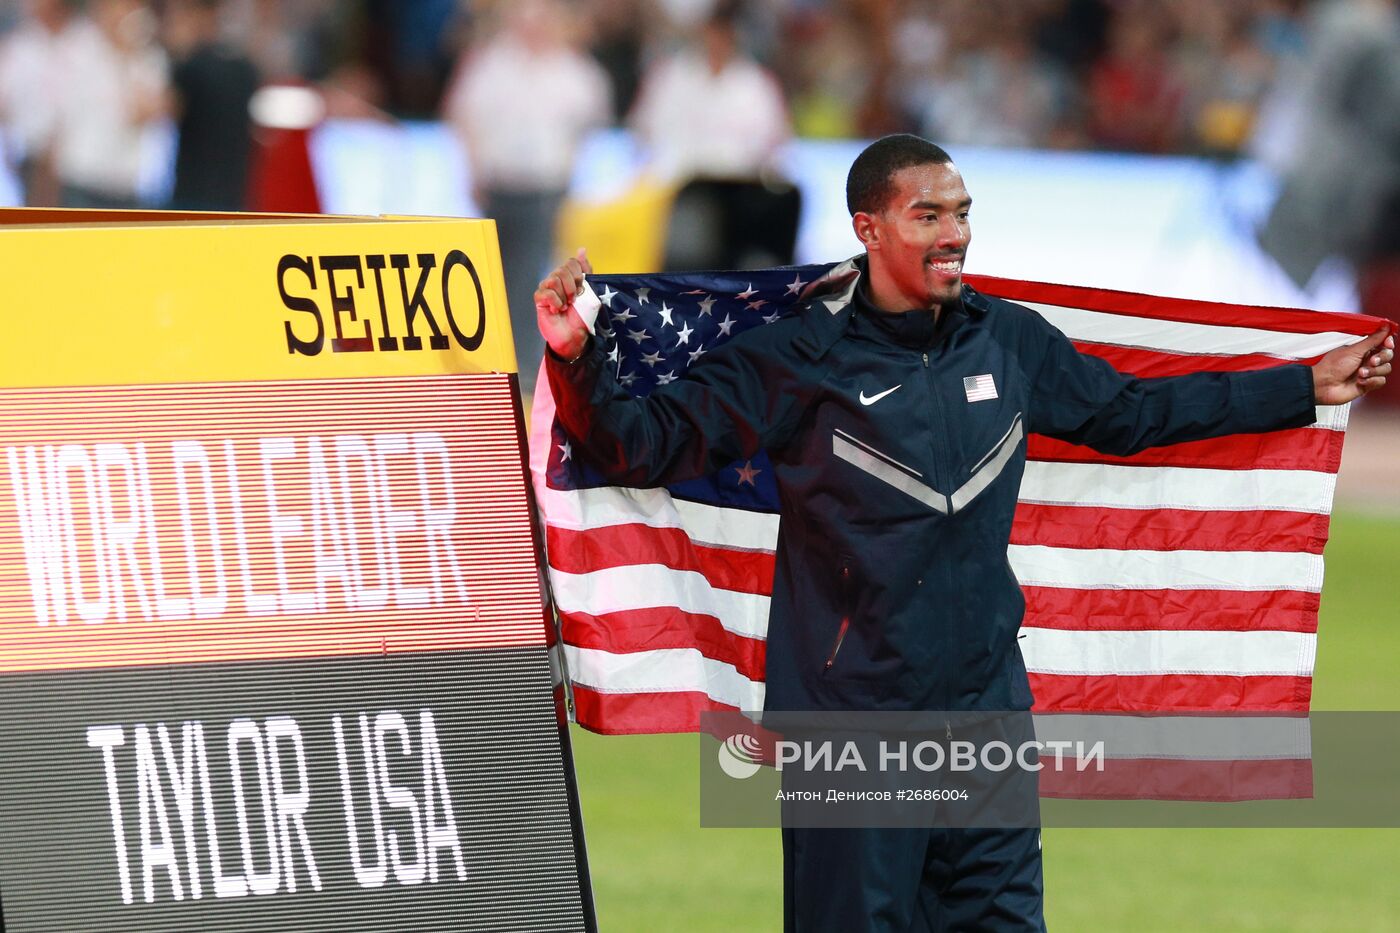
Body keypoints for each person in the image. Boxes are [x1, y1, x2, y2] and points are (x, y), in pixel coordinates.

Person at [534, 134, 1393, 932]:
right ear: (868, 228)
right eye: (930, 214)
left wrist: (1302, 385)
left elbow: (1134, 412)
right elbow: (644, 445)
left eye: (964, 213)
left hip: (987, 716)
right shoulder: (797, 359)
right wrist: (578, 355)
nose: (956, 234)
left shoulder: (1008, 340)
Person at [443, 0, 611, 397]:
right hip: (499, 185)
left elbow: (591, 124)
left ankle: (522, 368)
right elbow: (461, 115)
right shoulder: (490, 65)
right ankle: (492, 365)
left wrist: (570, 171)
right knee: (491, 278)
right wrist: (471, 168)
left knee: (530, 281)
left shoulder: (573, 72)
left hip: (543, 189)